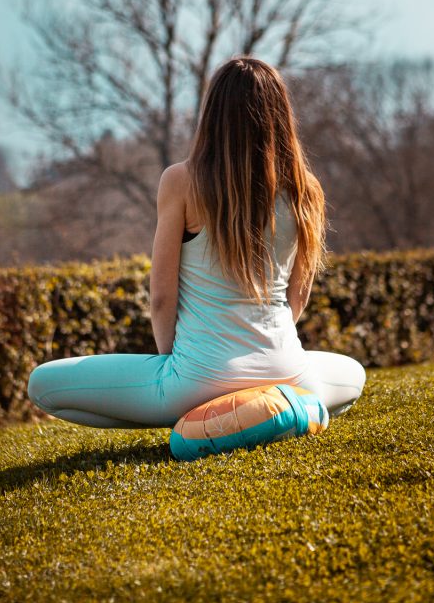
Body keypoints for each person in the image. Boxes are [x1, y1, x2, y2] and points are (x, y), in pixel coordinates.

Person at [27, 55, 366, 429]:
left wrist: (176, 371)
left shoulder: (181, 181)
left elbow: (161, 298)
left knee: (42, 384)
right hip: (290, 374)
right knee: (353, 374)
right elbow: (297, 298)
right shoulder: (307, 189)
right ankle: (272, 410)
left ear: (214, 115)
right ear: (281, 115)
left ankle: (191, 417)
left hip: (197, 380)